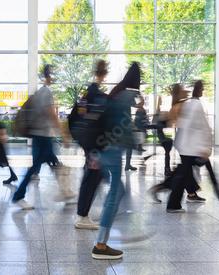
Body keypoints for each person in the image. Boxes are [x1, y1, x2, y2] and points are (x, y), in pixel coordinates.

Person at [166, 80, 219, 214]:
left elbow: (186, 125)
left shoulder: (189, 104)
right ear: (200, 90)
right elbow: (201, 127)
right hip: (193, 148)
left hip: (188, 147)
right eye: (203, 89)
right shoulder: (195, 105)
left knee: (184, 174)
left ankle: (175, 202)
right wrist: (206, 147)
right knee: (203, 175)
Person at [91, 62, 140, 260]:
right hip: (112, 149)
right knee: (116, 192)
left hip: (103, 148)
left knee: (116, 191)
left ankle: (101, 236)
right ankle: (100, 245)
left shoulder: (116, 92)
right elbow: (124, 125)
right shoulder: (127, 95)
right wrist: (135, 141)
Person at [11, 64, 74, 210]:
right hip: (43, 137)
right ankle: (19, 196)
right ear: (48, 76)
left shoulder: (40, 92)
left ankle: (65, 192)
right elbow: (51, 115)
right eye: (53, 74)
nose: (55, 77)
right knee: (38, 167)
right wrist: (63, 134)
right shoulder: (46, 93)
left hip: (40, 135)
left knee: (52, 163)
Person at [148, 84, 205, 203]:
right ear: (179, 93)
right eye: (183, 90)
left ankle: (190, 193)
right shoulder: (179, 106)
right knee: (184, 170)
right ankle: (160, 188)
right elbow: (174, 121)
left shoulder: (180, 104)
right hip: (186, 143)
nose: (186, 92)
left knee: (186, 169)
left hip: (186, 142)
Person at [74, 59, 109, 230]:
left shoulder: (86, 94)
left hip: (89, 142)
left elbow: (80, 115)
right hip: (95, 144)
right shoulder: (98, 96)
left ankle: (83, 214)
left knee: (95, 175)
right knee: (92, 177)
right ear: (104, 74)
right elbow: (100, 120)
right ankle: (82, 216)